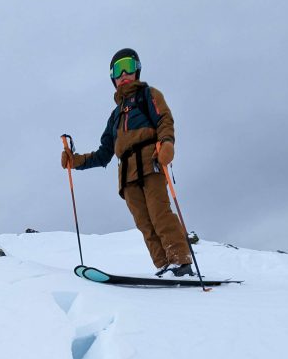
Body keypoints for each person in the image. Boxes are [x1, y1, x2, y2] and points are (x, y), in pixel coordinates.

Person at [61, 48, 193, 276]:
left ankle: (180, 262)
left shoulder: (148, 95)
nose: (123, 74)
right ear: (112, 78)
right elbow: (103, 153)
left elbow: (164, 119)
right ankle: (164, 266)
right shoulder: (114, 116)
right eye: (117, 70)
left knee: (159, 214)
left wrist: (167, 143)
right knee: (144, 223)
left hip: (151, 162)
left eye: (128, 67)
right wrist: (75, 161)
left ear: (137, 71)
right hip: (127, 175)